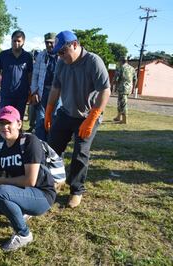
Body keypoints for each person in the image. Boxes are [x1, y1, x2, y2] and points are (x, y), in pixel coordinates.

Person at [0, 105, 56, 252]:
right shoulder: (0, 147)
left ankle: (24, 234)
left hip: (42, 195)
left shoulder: (30, 142)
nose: (5, 127)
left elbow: (30, 181)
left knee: (1, 192)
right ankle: (20, 211)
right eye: (1, 123)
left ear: (19, 124)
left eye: (9, 122)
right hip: (19, 192)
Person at [45, 30, 111, 208]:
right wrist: (49, 110)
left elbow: (105, 91)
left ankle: (76, 190)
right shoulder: (61, 63)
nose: (60, 56)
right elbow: (55, 89)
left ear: (74, 45)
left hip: (88, 115)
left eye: (62, 51)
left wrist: (93, 117)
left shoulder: (93, 61)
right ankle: (54, 182)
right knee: (51, 150)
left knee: (80, 152)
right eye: (58, 53)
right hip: (66, 113)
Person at [0, 30, 33, 119]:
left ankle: (18, 133)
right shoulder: (3, 55)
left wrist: (31, 92)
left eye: (19, 41)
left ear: (23, 42)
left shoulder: (28, 57)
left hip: (22, 95)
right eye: (14, 41)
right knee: (5, 119)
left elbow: (30, 76)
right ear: (11, 40)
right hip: (6, 95)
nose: (16, 43)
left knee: (18, 120)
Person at [30, 32, 61, 141]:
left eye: (51, 43)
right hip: (42, 92)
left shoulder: (62, 55)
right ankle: (40, 147)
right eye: (47, 43)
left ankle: (52, 146)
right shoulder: (41, 56)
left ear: (56, 43)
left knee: (55, 120)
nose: (49, 45)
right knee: (40, 121)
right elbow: (35, 75)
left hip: (58, 94)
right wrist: (34, 92)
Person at [113, 57, 137, 124]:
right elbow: (135, 79)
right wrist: (133, 88)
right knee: (120, 102)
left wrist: (113, 86)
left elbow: (116, 78)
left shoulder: (120, 68)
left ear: (121, 61)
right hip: (128, 88)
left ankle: (124, 120)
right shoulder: (132, 68)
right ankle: (118, 117)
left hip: (122, 88)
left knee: (123, 104)